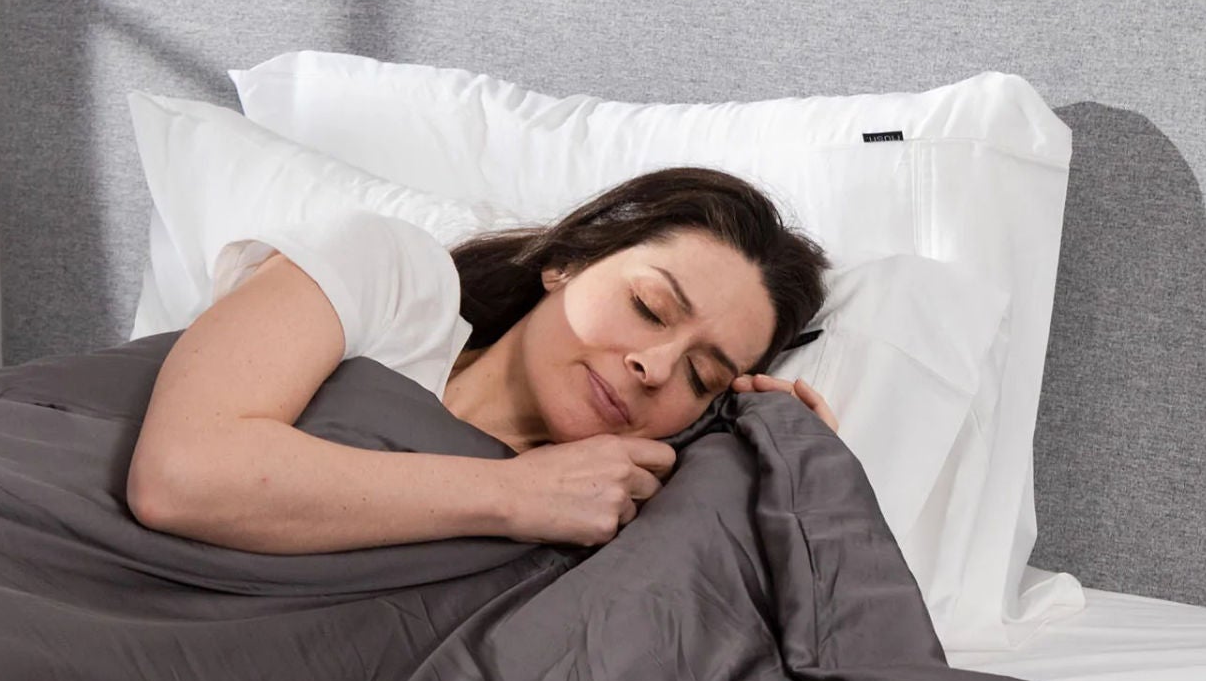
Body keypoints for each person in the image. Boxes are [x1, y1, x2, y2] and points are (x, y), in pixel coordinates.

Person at [127, 167, 833, 555]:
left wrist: (795, 481)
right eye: (649, 307)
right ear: (567, 261)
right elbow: (181, 474)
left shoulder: (616, 521)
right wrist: (515, 496)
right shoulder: (395, 282)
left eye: (700, 376)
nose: (654, 365)